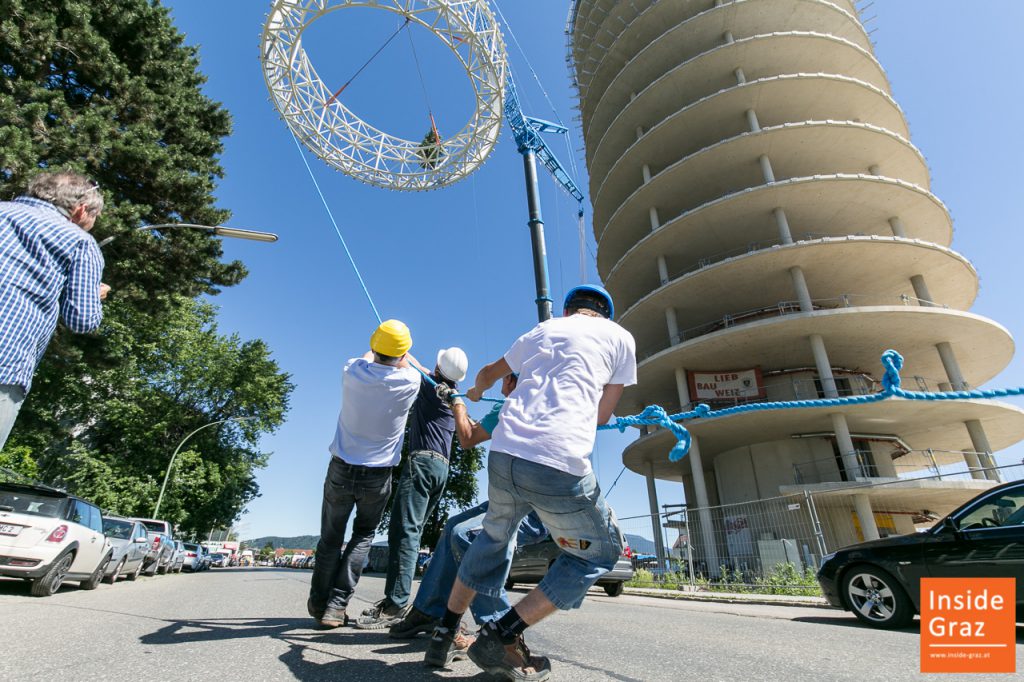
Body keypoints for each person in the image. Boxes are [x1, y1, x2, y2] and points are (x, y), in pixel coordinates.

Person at [426, 284, 636, 681]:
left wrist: (474, 390)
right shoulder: (621, 338)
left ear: (570, 310)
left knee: (490, 540)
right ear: (603, 314)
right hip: (557, 463)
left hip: (504, 458)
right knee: (600, 554)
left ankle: (443, 634)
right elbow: (603, 415)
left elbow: (488, 373)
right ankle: (501, 633)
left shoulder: (542, 331)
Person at [387, 373, 548, 669]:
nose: (501, 387)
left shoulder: (540, 405)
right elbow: (469, 437)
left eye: (507, 380)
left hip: (536, 508)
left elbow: (466, 433)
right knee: (452, 527)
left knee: (466, 535)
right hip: (508, 497)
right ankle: (429, 609)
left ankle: (496, 636)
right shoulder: (503, 408)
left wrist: (460, 403)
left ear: (516, 382)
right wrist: (458, 406)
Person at [307, 319, 423, 628]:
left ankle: (319, 602)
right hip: (378, 475)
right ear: (403, 354)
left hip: (341, 468)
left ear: (374, 347)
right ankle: (336, 605)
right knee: (363, 536)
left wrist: (387, 349)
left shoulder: (352, 371)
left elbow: (369, 355)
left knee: (330, 538)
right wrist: (404, 354)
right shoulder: (410, 382)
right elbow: (409, 365)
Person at [356, 347, 470, 629]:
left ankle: (395, 603)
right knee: (413, 531)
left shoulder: (431, 386)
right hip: (441, 468)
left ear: (439, 365)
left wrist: (396, 344)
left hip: (422, 463)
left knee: (403, 531)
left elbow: (408, 362)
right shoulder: (451, 397)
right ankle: (406, 601)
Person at [0, 171, 109, 449]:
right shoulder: (79, 242)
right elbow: (82, 320)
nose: (91, 226)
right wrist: (94, 295)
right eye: (94, 218)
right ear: (81, 210)